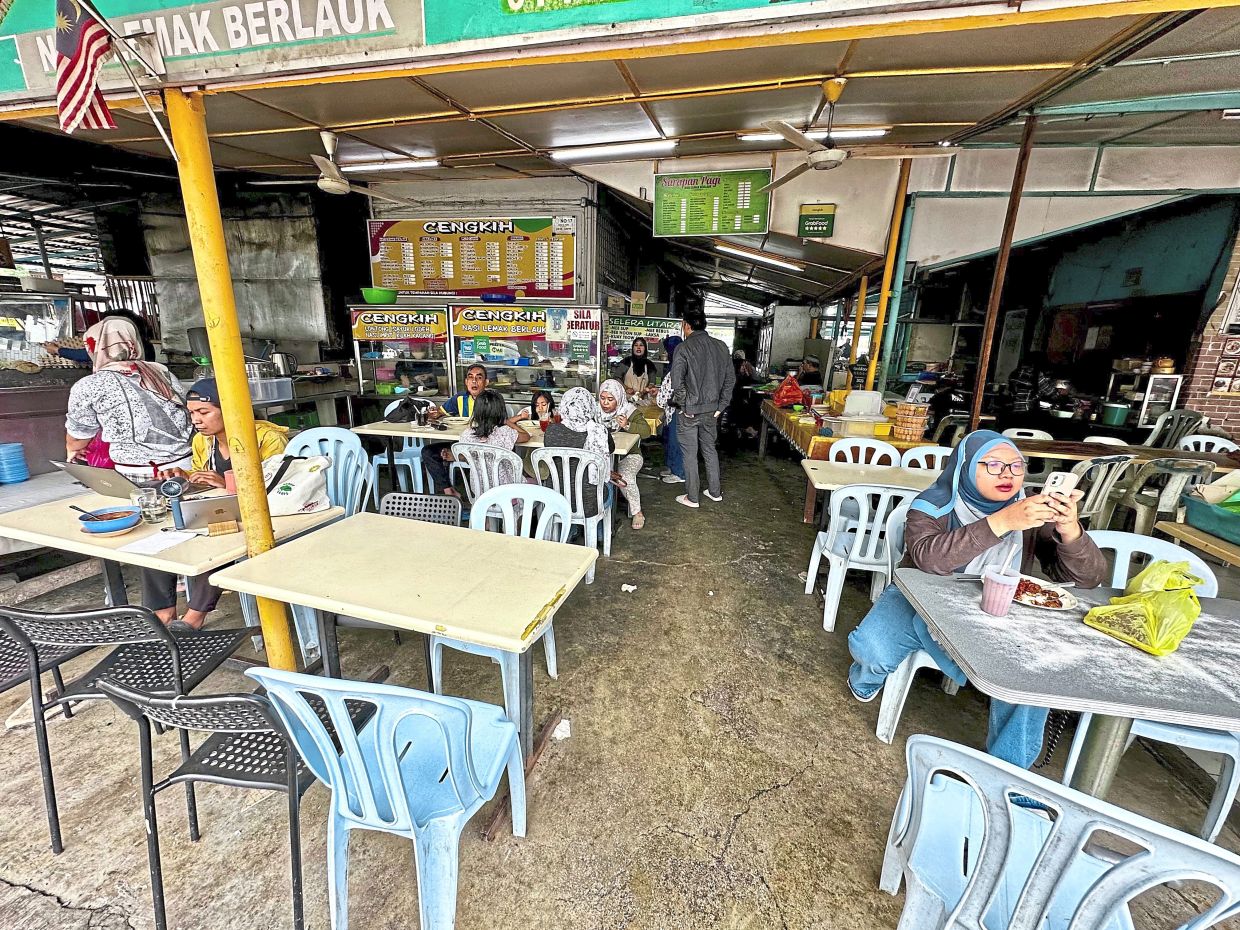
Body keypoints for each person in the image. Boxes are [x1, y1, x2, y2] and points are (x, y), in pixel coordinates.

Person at [846, 430, 1105, 768]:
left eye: (1016, 465)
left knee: (1031, 678)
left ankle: (1008, 771)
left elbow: (1089, 577)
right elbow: (929, 559)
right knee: (870, 649)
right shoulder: (932, 505)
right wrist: (1002, 522)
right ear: (966, 466)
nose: (1008, 475)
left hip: (995, 608)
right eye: (994, 465)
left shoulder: (1030, 511)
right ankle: (868, 677)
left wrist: (1070, 530)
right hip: (919, 596)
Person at [149, 379, 290, 632]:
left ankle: (194, 617)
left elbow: (277, 487)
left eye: (204, 412)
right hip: (220, 510)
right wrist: (186, 474)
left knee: (215, 540)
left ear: (231, 410)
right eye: (192, 413)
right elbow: (204, 478)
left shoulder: (267, 439)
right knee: (160, 539)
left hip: (263, 515)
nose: (196, 420)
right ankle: (163, 611)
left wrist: (225, 484)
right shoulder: (202, 442)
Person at [65, 317, 193, 482]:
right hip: (185, 466)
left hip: (137, 473)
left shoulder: (90, 384)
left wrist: (72, 449)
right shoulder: (162, 372)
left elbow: (78, 435)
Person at [664, 306, 735, 509]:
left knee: (689, 454)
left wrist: (685, 406)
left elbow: (678, 383)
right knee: (709, 449)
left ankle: (692, 497)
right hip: (712, 411)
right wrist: (721, 406)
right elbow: (730, 380)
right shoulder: (721, 346)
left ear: (686, 326)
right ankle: (714, 492)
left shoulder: (684, 348)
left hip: (690, 411)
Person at [542, 388, 613, 519]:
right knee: (609, 486)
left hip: (556, 497)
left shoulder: (551, 431)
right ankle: (599, 532)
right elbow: (611, 449)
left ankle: (568, 530)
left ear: (564, 406)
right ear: (591, 406)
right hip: (590, 501)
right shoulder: (600, 432)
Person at [421, 363, 489, 493]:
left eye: (479, 378)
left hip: (483, 446)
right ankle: (449, 491)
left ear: (486, 382)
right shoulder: (460, 398)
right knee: (428, 452)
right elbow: (440, 412)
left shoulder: (492, 400)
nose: (474, 381)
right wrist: (433, 414)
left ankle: (479, 492)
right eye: (470, 377)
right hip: (462, 443)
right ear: (466, 381)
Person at [454, 389, 531, 492]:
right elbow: (526, 436)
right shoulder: (505, 432)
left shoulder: (466, 435)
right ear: (501, 411)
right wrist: (508, 422)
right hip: (508, 493)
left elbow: (463, 457)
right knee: (535, 483)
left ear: (476, 412)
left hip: (480, 493)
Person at [599, 379, 648, 530]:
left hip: (630, 455)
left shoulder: (629, 411)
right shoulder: (593, 411)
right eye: (602, 398)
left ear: (619, 398)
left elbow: (646, 431)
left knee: (625, 475)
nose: (605, 403)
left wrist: (627, 425)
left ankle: (637, 512)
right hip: (603, 456)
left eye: (610, 399)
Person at [657, 334, 685, 485]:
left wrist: (660, 398)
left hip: (676, 410)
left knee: (675, 442)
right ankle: (672, 467)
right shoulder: (681, 363)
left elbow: (665, 396)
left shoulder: (676, 367)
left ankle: (679, 473)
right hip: (674, 410)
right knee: (670, 441)